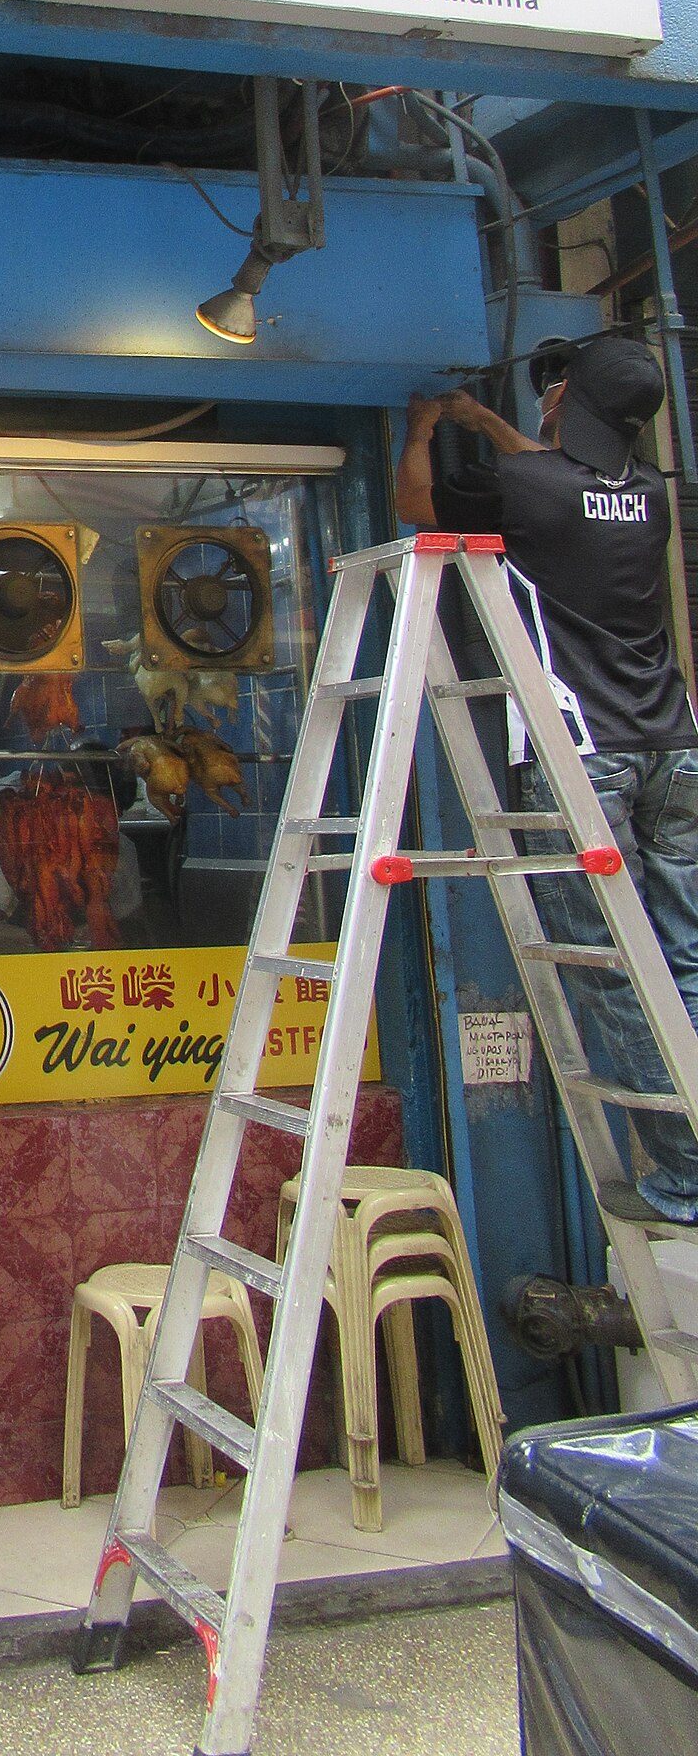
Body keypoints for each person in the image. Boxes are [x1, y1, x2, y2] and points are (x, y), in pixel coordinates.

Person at [397, 333, 698, 1222]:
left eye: (560, 386)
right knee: (684, 955)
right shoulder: (650, 493)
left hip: (584, 753)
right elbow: (556, 479)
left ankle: (686, 1173)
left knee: (613, 969)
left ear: (569, 400)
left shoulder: (529, 486)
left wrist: (422, 431)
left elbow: (414, 504)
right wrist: (491, 422)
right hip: (672, 744)